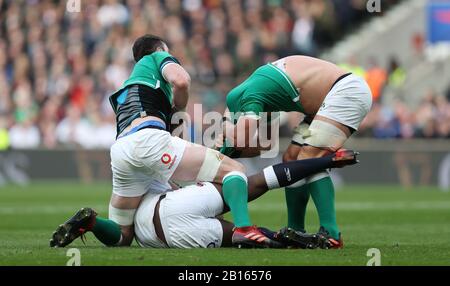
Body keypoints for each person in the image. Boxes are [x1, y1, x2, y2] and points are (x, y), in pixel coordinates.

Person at [49, 34, 272, 248]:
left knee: (123, 235)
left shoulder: (129, 89)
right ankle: (244, 229)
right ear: (160, 50)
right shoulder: (155, 57)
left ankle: (92, 222)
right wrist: (181, 107)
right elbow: (182, 81)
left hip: (122, 151)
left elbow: (167, 139)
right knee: (234, 171)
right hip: (147, 140)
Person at [50, 150, 359, 249]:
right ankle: (280, 235)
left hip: (153, 233)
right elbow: (264, 176)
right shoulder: (164, 159)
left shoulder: (129, 184)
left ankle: (91, 222)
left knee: (243, 240)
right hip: (175, 207)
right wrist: (328, 160)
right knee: (255, 181)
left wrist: (100, 222)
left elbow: (121, 237)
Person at [219, 55, 373, 248]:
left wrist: (219, 154)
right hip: (327, 101)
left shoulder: (250, 97)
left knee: (309, 156)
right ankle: (295, 229)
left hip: (345, 92)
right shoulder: (250, 90)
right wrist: (226, 135)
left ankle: (331, 233)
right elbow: (264, 145)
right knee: (291, 158)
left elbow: (240, 140)